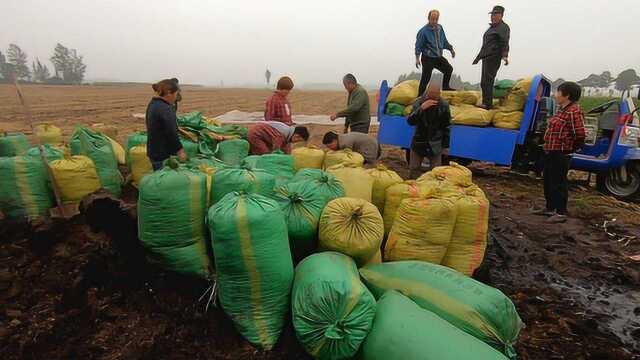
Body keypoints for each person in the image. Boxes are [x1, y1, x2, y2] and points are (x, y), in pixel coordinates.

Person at [533, 82, 586, 223]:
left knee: (558, 183)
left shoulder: (574, 111)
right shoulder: (561, 109)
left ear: (566, 95)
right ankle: (550, 208)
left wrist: (569, 149)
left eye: (558, 92)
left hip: (561, 154)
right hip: (551, 151)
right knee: (548, 181)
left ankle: (561, 212)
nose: (555, 95)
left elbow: (579, 134)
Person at [406, 83, 451, 179]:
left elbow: (446, 127)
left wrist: (446, 146)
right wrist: (421, 109)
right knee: (414, 169)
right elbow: (410, 121)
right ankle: (414, 189)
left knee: (436, 172)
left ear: (439, 94)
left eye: (436, 95)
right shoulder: (418, 102)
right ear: (427, 92)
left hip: (435, 143)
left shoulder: (444, 105)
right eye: (431, 94)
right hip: (419, 142)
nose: (434, 97)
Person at [473, 5, 511, 109]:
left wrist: (504, 55)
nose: (493, 17)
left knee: (487, 80)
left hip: (493, 56)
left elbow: (505, 42)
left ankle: (487, 104)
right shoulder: (492, 28)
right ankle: (486, 102)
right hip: (486, 57)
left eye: (495, 14)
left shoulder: (503, 27)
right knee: (484, 81)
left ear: (501, 15)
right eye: (492, 14)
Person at [146, 79, 187, 171]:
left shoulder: (153, 104)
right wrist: (180, 151)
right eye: (176, 94)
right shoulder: (165, 108)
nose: (176, 98)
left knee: (159, 178)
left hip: (153, 150)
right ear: (169, 93)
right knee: (164, 179)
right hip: (162, 153)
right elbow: (171, 132)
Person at [415, 9, 456, 96]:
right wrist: (417, 58)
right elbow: (418, 45)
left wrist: (451, 49)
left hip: (437, 57)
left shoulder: (440, 28)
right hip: (427, 58)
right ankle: (419, 96)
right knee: (426, 78)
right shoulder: (423, 32)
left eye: (436, 19)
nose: (434, 21)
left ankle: (445, 87)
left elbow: (444, 41)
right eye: (432, 19)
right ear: (428, 18)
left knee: (449, 69)